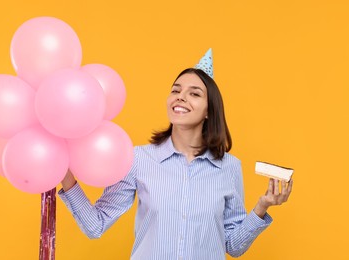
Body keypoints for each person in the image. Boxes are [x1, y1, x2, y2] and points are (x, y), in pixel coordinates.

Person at [59, 50, 293, 260]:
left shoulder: (229, 167)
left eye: (194, 94)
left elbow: (233, 245)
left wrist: (262, 207)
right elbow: (95, 225)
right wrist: (64, 172)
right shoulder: (139, 159)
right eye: (176, 90)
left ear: (209, 111)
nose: (180, 97)